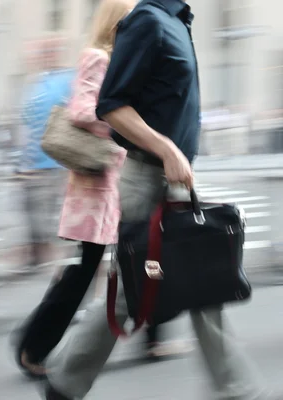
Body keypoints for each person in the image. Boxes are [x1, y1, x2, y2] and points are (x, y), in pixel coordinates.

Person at [43, 1, 279, 399]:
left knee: (202, 284)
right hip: (147, 175)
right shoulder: (146, 21)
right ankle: (64, 383)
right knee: (134, 293)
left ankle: (236, 390)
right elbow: (112, 105)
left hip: (172, 178)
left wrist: (177, 158)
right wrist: (167, 149)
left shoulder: (176, 22)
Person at [14, 0, 188, 380]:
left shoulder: (123, 58)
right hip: (98, 183)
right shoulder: (98, 56)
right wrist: (120, 120)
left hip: (119, 180)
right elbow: (82, 110)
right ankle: (33, 346)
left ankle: (155, 338)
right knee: (84, 268)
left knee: (148, 257)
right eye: (131, 20)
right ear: (117, 23)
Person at [18, 37, 72, 270]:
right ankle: (38, 257)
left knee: (55, 216)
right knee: (33, 213)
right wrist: (22, 163)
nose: (46, 56)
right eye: (43, 52)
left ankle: (59, 262)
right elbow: (27, 123)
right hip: (36, 163)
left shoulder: (68, 79)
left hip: (59, 162)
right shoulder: (35, 84)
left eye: (50, 51)